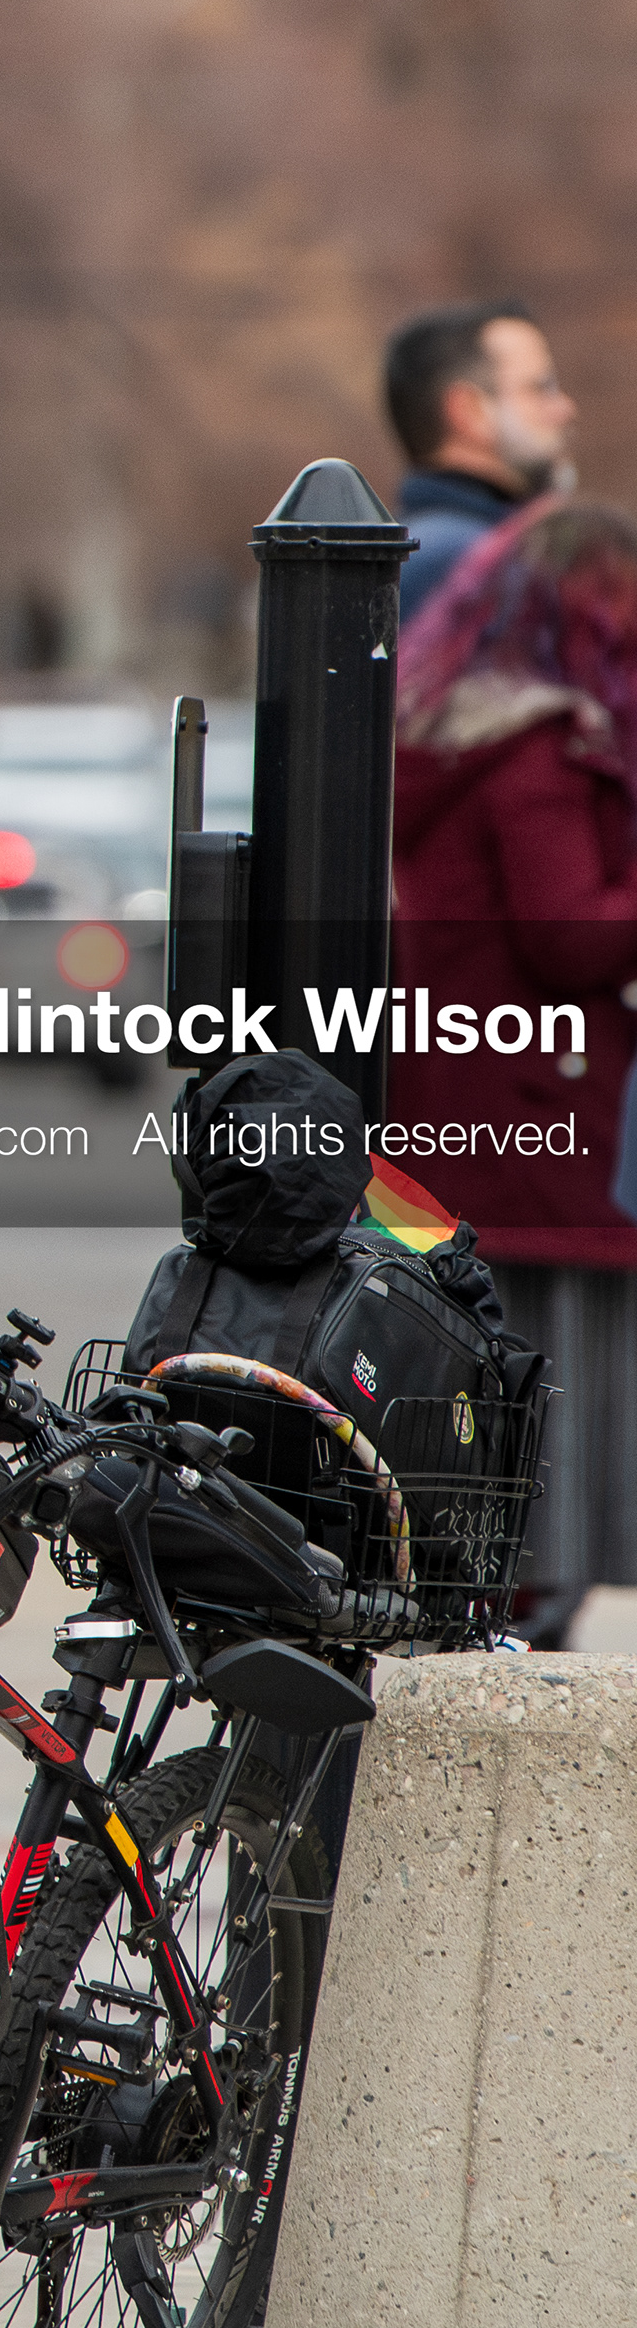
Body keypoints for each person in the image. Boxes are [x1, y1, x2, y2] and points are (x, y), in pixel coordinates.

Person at [391, 499, 637, 1645]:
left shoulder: (448, 728)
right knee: (558, 1390)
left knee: (492, 1374)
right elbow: (571, 936)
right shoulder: (541, 747)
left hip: (466, 1102)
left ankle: (496, 1605)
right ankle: (518, 1629)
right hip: (546, 1105)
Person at [384, 300, 576, 616]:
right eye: (541, 388)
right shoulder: (470, 561)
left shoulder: (411, 550)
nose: (565, 409)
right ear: (470, 411)